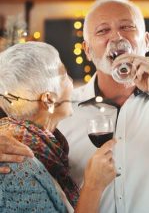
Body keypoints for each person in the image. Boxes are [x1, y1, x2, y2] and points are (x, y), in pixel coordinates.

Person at [0, 0, 149, 213]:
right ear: (88, 50)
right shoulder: (62, 108)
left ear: (145, 41)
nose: (117, 37)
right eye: (103, 30)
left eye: (127, 27)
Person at [0, 41, 116, 212]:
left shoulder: (45, 146)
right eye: (64, 75)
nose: (71, 82)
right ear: (48, 100)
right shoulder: (18, 169)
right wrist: (93, 186)